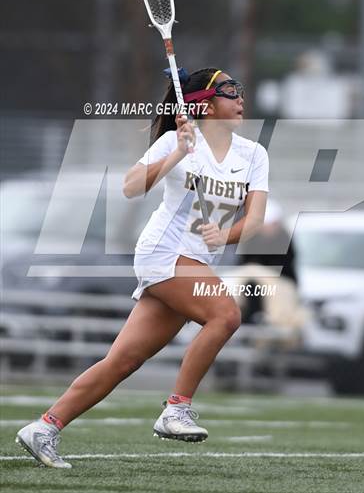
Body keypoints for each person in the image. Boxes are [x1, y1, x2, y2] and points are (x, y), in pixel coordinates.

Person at [15, 67, 269, 468]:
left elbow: (254, 221)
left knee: (123, 361)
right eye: (229, 91)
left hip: (195, 261)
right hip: (163, 252)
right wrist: (177, 153)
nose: (240, 98)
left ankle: (44, 427)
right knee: (225, 314)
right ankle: (177, 409)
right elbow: (131, 187)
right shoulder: (176, 140)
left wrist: (225, 236)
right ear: (205, 105)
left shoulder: (254, 154)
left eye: (240, 90)